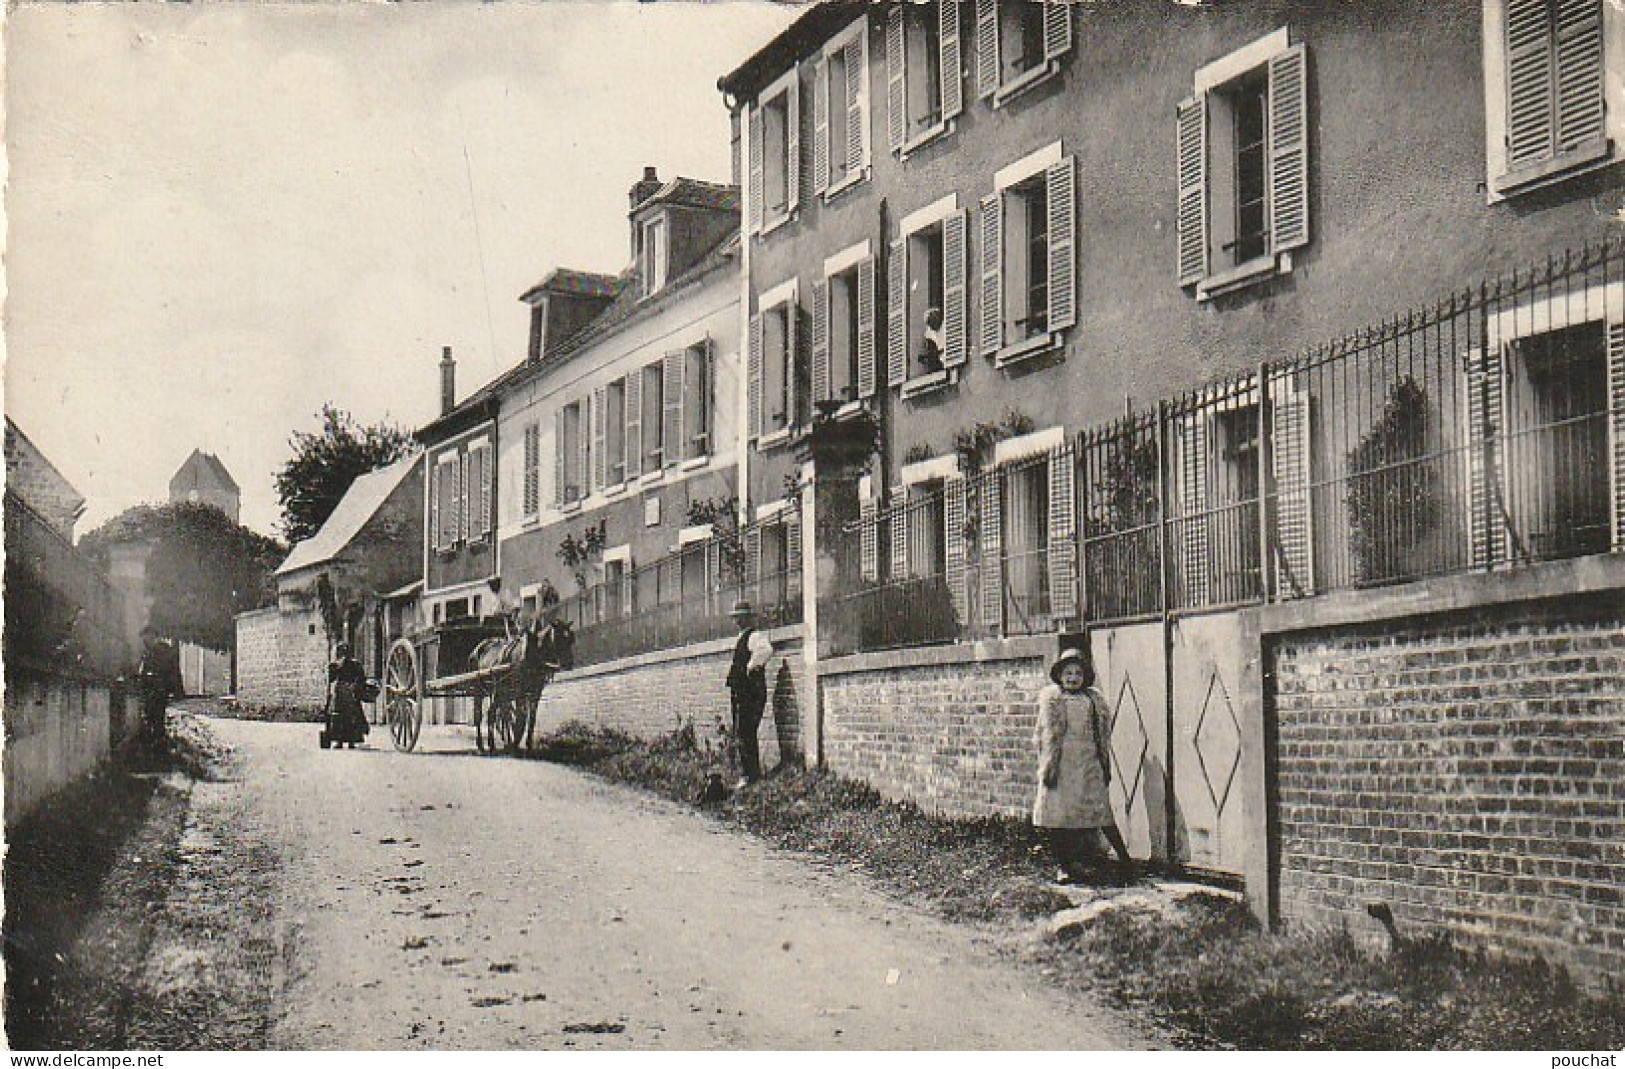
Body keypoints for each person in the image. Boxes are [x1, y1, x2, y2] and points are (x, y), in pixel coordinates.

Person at [1033, 647, 1133, 884]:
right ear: (1060, 676)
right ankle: (1064, 866)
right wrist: (1047, 763)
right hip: (1062, 766)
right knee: (1059, 817)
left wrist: (1103, 762)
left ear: (1085, 677)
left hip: (1088, 763)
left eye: (1078, 673)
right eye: (1068, 673)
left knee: (1101, 812)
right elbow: (1041, 734)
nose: (1073, 678)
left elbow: (1101, 735)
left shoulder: (1093, 701)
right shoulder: (1053, 701)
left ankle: (1125, 860)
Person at [724, 599, 773, 789]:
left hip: (750, 692)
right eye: (736, 618)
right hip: (741, 691)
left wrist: (750, 666)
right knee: (742, 732)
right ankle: (749, 772)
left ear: (748, 619)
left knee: (746, 731)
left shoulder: (755, 636)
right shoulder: (742, 637)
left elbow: (766, 651)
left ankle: (750, 775)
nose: (737, 621)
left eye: (741, 618)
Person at [136, 626, 182, 750]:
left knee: (156, 720)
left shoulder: (161, 651)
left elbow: (171, 672)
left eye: (146, 638)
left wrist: (173, 690)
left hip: (158, 691)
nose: (145, 642)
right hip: (153, 692)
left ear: (153, 637)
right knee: (154, 720)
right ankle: (156, 747)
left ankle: (158, 749)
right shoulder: (151, 651)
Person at [325, 642, 369, 749]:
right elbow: (361, 678)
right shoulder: (346, 664)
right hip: (346, 693)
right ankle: (347, 741)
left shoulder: (348, 664)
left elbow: (332, 678)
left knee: (345, 717)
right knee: (346, 717)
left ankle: (346, 741)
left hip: (345, 692)